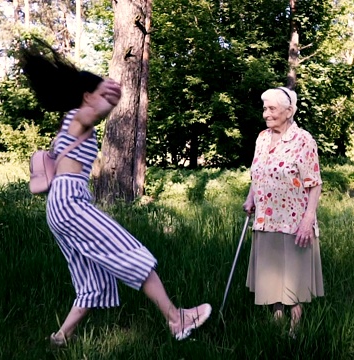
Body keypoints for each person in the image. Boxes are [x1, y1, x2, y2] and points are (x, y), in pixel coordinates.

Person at [17, 39, 211, 346]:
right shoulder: (77, 118)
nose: (107, 98)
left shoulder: (69, 124)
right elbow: (97, 112)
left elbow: (98, 112)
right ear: (86, 97)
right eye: (100, 93)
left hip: (60, 207)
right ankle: (177, 319)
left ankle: (60, 338)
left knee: (91, 280)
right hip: (71, 203)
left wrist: (107, 89)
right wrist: (113, 90)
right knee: (131, 252)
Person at [243, 86, 324, 336]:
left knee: (294, 270)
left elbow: (315, 183)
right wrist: (250, 198)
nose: (266, 113)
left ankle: (295, 322)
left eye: (272, 108)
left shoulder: (303, 140)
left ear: (289, 111)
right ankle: (277, 316)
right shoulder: (262, 137)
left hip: (293, 217)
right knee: (273, 266)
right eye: (264, 108)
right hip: (266, 216)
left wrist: (308, 220)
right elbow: (257, 173)